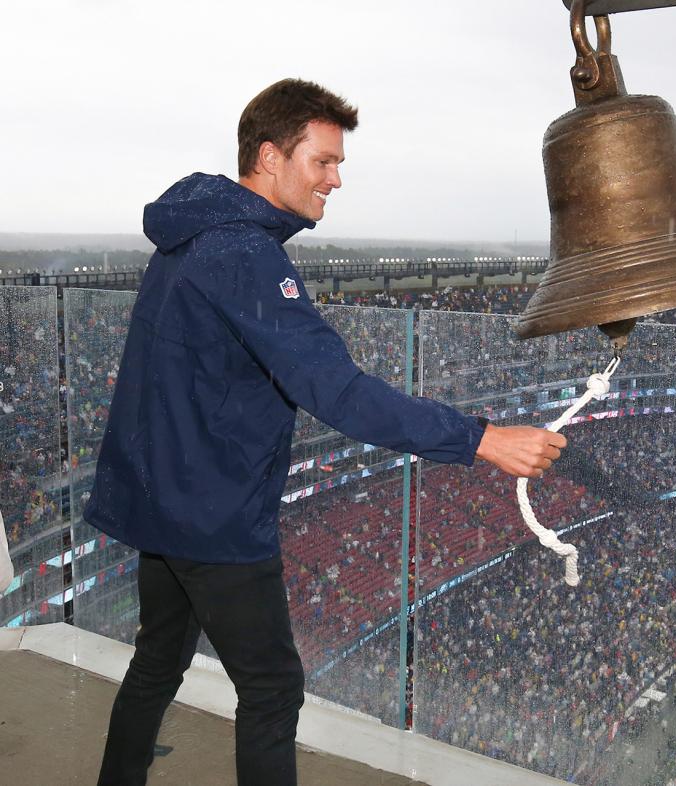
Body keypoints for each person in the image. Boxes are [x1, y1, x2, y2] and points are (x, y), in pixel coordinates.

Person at [85, 78, 565, 786]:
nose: (337, 179)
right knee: (273, 690)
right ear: (271, 157)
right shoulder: (245, 256)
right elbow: (336, 391)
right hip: (211, 515)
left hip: (162, 499)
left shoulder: (191, 237)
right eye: (323, 162)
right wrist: (482, 439)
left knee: (158, 657)